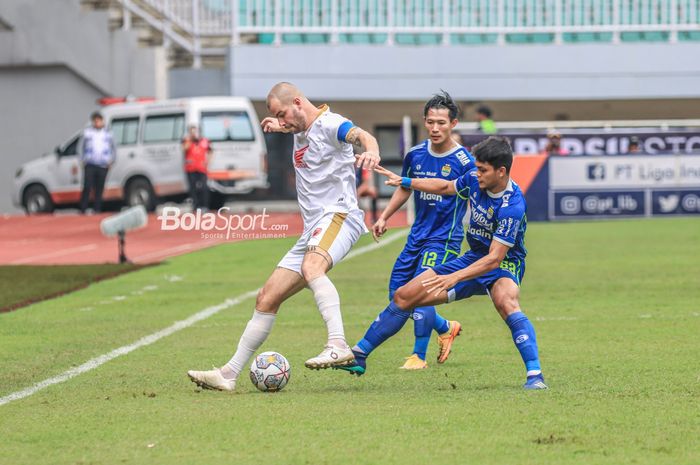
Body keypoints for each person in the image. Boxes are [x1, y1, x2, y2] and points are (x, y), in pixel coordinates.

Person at [187, 82, 381, 391]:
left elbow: (361, 135)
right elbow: (297, 126)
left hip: (339, 216)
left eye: (283, 114)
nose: (283, 121)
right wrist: (281, 125)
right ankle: (229, 374)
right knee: (267, 297)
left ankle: (338, 343)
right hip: (314, 227)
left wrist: (371, 151)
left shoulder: (331, 124)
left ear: (298, 102)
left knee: (311, 268)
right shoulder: (299, 128)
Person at [339, 136, 547, 390]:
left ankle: (535, 376)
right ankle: (359, 354)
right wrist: (407, 181)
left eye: (483, 170)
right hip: (473, 258)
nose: (476, 173)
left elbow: (495, 258)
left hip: (504, 264)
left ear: (501, 172)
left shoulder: (512, 205)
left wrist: (455, 277)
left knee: (506, 301)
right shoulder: (473, 180)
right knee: (405, 296)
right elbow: (445, 187)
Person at [369, 91, 474, 370]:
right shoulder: (415, 154)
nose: (435, 128)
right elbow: (405, 187)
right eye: (430, 122)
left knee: (422, 289)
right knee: (397, 295)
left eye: (441, 122)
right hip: (417, 236)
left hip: (444, 239)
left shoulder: (465, 162)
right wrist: (385, 217)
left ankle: (419, 356)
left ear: (453, 123)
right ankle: (445, 327)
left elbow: (462, 192)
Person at [79, 111, 115, 213]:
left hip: (103, 165)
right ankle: (83, 208)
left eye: (99, 120)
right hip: (90, 164)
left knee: (99, 188)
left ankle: (97, 209)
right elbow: (80, 147)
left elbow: (114, 148)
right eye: (95, 121)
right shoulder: (88, 133)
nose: (97, 123)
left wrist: (112, 161)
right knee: (87, 186)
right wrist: (82, 160)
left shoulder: (107, 133)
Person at [182, 125, 212, 211]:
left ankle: (205, 206)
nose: (194, 133)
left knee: (204, 187)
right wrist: (190, 140)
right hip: (190, 168)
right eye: (192, 131)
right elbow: (184, 149)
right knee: (192, 188)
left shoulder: (204, 141)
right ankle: (195, 206)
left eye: (195, 131)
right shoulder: (187, 140)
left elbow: (210, 151)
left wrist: (207, 162)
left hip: (201, 168)